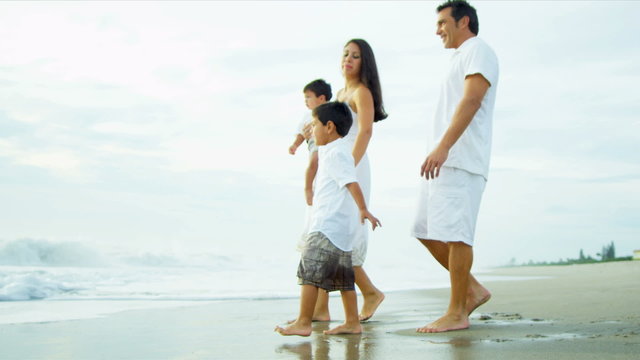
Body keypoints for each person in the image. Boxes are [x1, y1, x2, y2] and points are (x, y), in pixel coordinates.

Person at [412, 0, 499, 333]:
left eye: (442, 23)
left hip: (462, 159)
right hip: (444, 160)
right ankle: (472, 290)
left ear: (464, 21)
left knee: (457, 234)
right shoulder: (458, 58)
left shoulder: (479, 50)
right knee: (424, 229)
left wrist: (444, 147)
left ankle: (456, 312)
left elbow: (472, 99)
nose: (437, 30)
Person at [275, 101, 381, 337]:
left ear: (329, 127)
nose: (311, 129)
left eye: (314, 125)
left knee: (309, 270)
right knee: (344, 278)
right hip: (339, 230)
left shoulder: (335, 153)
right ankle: (352, 322)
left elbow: (351, 182)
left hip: (327, 226)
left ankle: (304, 321)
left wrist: (364, 209)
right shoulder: (335, 150)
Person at [310, 38, 388, 323]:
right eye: (345, 54)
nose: (348, 59)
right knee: (326, 227)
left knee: (342, 232)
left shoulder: (361, 92)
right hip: (336, 165)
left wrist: (348, 168)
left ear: (364, 62)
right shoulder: (340, 92)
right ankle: (321, 308)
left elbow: (365, 132)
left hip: (352, 165)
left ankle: (369, 293)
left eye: (355, 56)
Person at [288, 79, 332, 206]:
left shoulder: (332, 111)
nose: (305, 101)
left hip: (329, 142)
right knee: (314, 161)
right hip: (315, 142)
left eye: (308, 97)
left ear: (321, 98)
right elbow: (302, 133)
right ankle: (308, 188)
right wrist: (295, 145)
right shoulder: (308, 116)